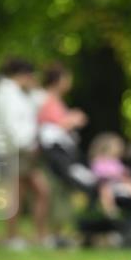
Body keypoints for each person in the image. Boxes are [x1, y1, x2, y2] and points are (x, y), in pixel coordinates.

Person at [0, 58, 50, 250]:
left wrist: (35, 87)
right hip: (16, 150)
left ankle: (39, 236)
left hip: (25, 149)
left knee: (38, 191)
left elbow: (42, 102)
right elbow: (11, 125)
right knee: (19, 194)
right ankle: (13, 237)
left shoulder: (22, 93)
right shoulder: (6, 94)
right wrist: (26, 144)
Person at [37, 64, 90, 247]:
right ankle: (48, 235)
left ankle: (58, 234)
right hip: (54, 155)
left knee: (62, 193)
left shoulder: (55, 100)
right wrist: (73, 119)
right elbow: (51, 125)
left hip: (62, 152)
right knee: (53, 193)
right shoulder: (47, 99)